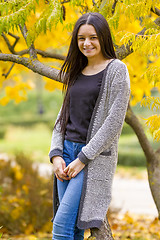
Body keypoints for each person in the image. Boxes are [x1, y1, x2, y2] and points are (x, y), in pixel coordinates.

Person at [49, 12, 130, 240]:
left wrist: (83, 158)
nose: (87, 43)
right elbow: (61, 119)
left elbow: (114, 122)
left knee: (62, 227)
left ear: (103, 37)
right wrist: (56, 155)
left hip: (91, 159)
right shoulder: (76, 71)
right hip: (66, 155)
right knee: (73, 229)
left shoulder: (117, 70)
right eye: (81, 38)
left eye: (93, 37)